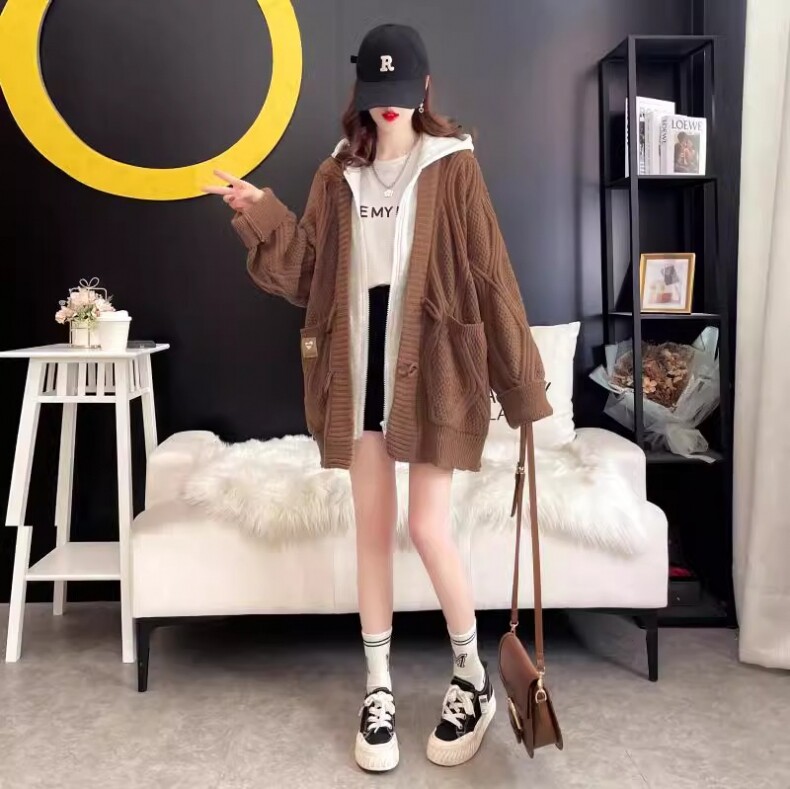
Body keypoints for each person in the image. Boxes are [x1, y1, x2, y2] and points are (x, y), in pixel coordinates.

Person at [204, 23, 551, 774]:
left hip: (432, 365)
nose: (388, 107)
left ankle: (471, 675)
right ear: (361, 92)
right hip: (359, 362)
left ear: (423, 89)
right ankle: (379, 687)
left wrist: (523, 385)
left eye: (401, 92)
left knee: (426, 526)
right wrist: (259, 209)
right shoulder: (338, 174)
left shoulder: (453, 165)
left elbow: (491, 272)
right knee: (370, 528)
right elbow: (307, 274)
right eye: (376, 93)